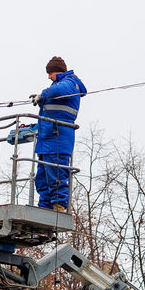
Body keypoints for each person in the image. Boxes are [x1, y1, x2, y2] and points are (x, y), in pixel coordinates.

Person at [29, 56, 86, 212]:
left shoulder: (70, 82)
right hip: (47, 139)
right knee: (42, 178)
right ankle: (45, 206)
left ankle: (58, 205)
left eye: (50, 73)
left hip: (58, 138)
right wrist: (42, 100)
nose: (49, 77)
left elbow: (57, 90)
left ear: (57, 71)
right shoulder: (60, 84)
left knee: (57, 175)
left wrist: (43, 94)